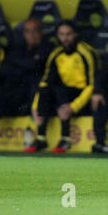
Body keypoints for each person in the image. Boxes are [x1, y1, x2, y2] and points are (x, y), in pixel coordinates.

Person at [25, 20, 98, 153]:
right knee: (48, 89)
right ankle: (41, 138)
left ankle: (65, 138)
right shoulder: (56, 54)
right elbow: (45, 82)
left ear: (75, 34)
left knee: (60, 91)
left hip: (82, 97)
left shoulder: (86, 53)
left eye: (68, 34)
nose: (65, 38)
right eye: (61, 34)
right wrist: (35, 107)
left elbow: (92, 85)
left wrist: (74, 106)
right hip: (63, 95)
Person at [0, 19, 53, 119]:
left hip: (35, 90)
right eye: (28, 31)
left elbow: (35, 65)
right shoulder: (19, 47)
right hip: (17, 89)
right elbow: (6, 66)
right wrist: (27, 64)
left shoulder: (48, 47)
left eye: (35, 30)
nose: (32, 34)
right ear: (23, 33)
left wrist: (20, 64)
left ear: (41, 32)